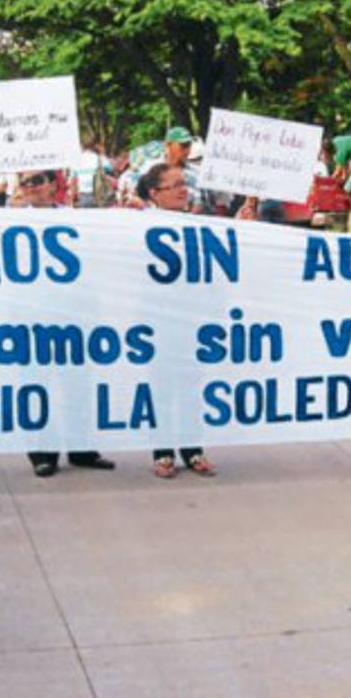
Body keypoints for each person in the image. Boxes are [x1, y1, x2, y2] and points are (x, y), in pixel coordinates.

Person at [9, 168, 117, 477]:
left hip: (72, 314)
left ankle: (82, 449)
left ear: (53, 185)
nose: (31, 187)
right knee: (37, 386)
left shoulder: (73, 217)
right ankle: (42, 453)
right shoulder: (9, 220)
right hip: (31, 317)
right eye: (25, 182)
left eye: (37, 181)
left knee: (77, 385)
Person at [137, 162, 216, 478]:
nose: (183, 190)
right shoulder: (139, 224)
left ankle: (192, 449)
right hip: (156, 321)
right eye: (175, 185)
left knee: (190, 387)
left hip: (191, 320)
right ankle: (163, 452)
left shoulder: (195, 223)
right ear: (155, 193)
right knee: (162, 386)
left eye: (184, 184)